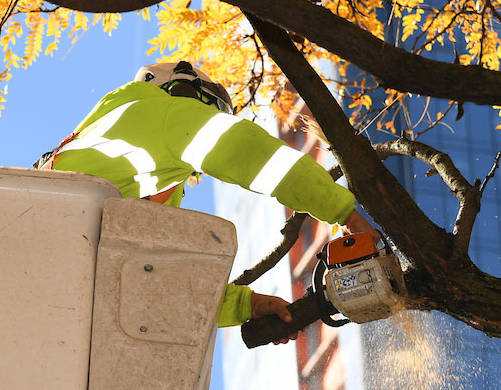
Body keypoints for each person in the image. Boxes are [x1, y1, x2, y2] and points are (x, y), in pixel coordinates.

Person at [37, 61, 376, 343]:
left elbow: (158, 282)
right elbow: (248, 152)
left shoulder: (134, 174)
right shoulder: (160, 114)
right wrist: (344, 212)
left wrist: (247, 305)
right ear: (184, 89)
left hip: (50, 293)